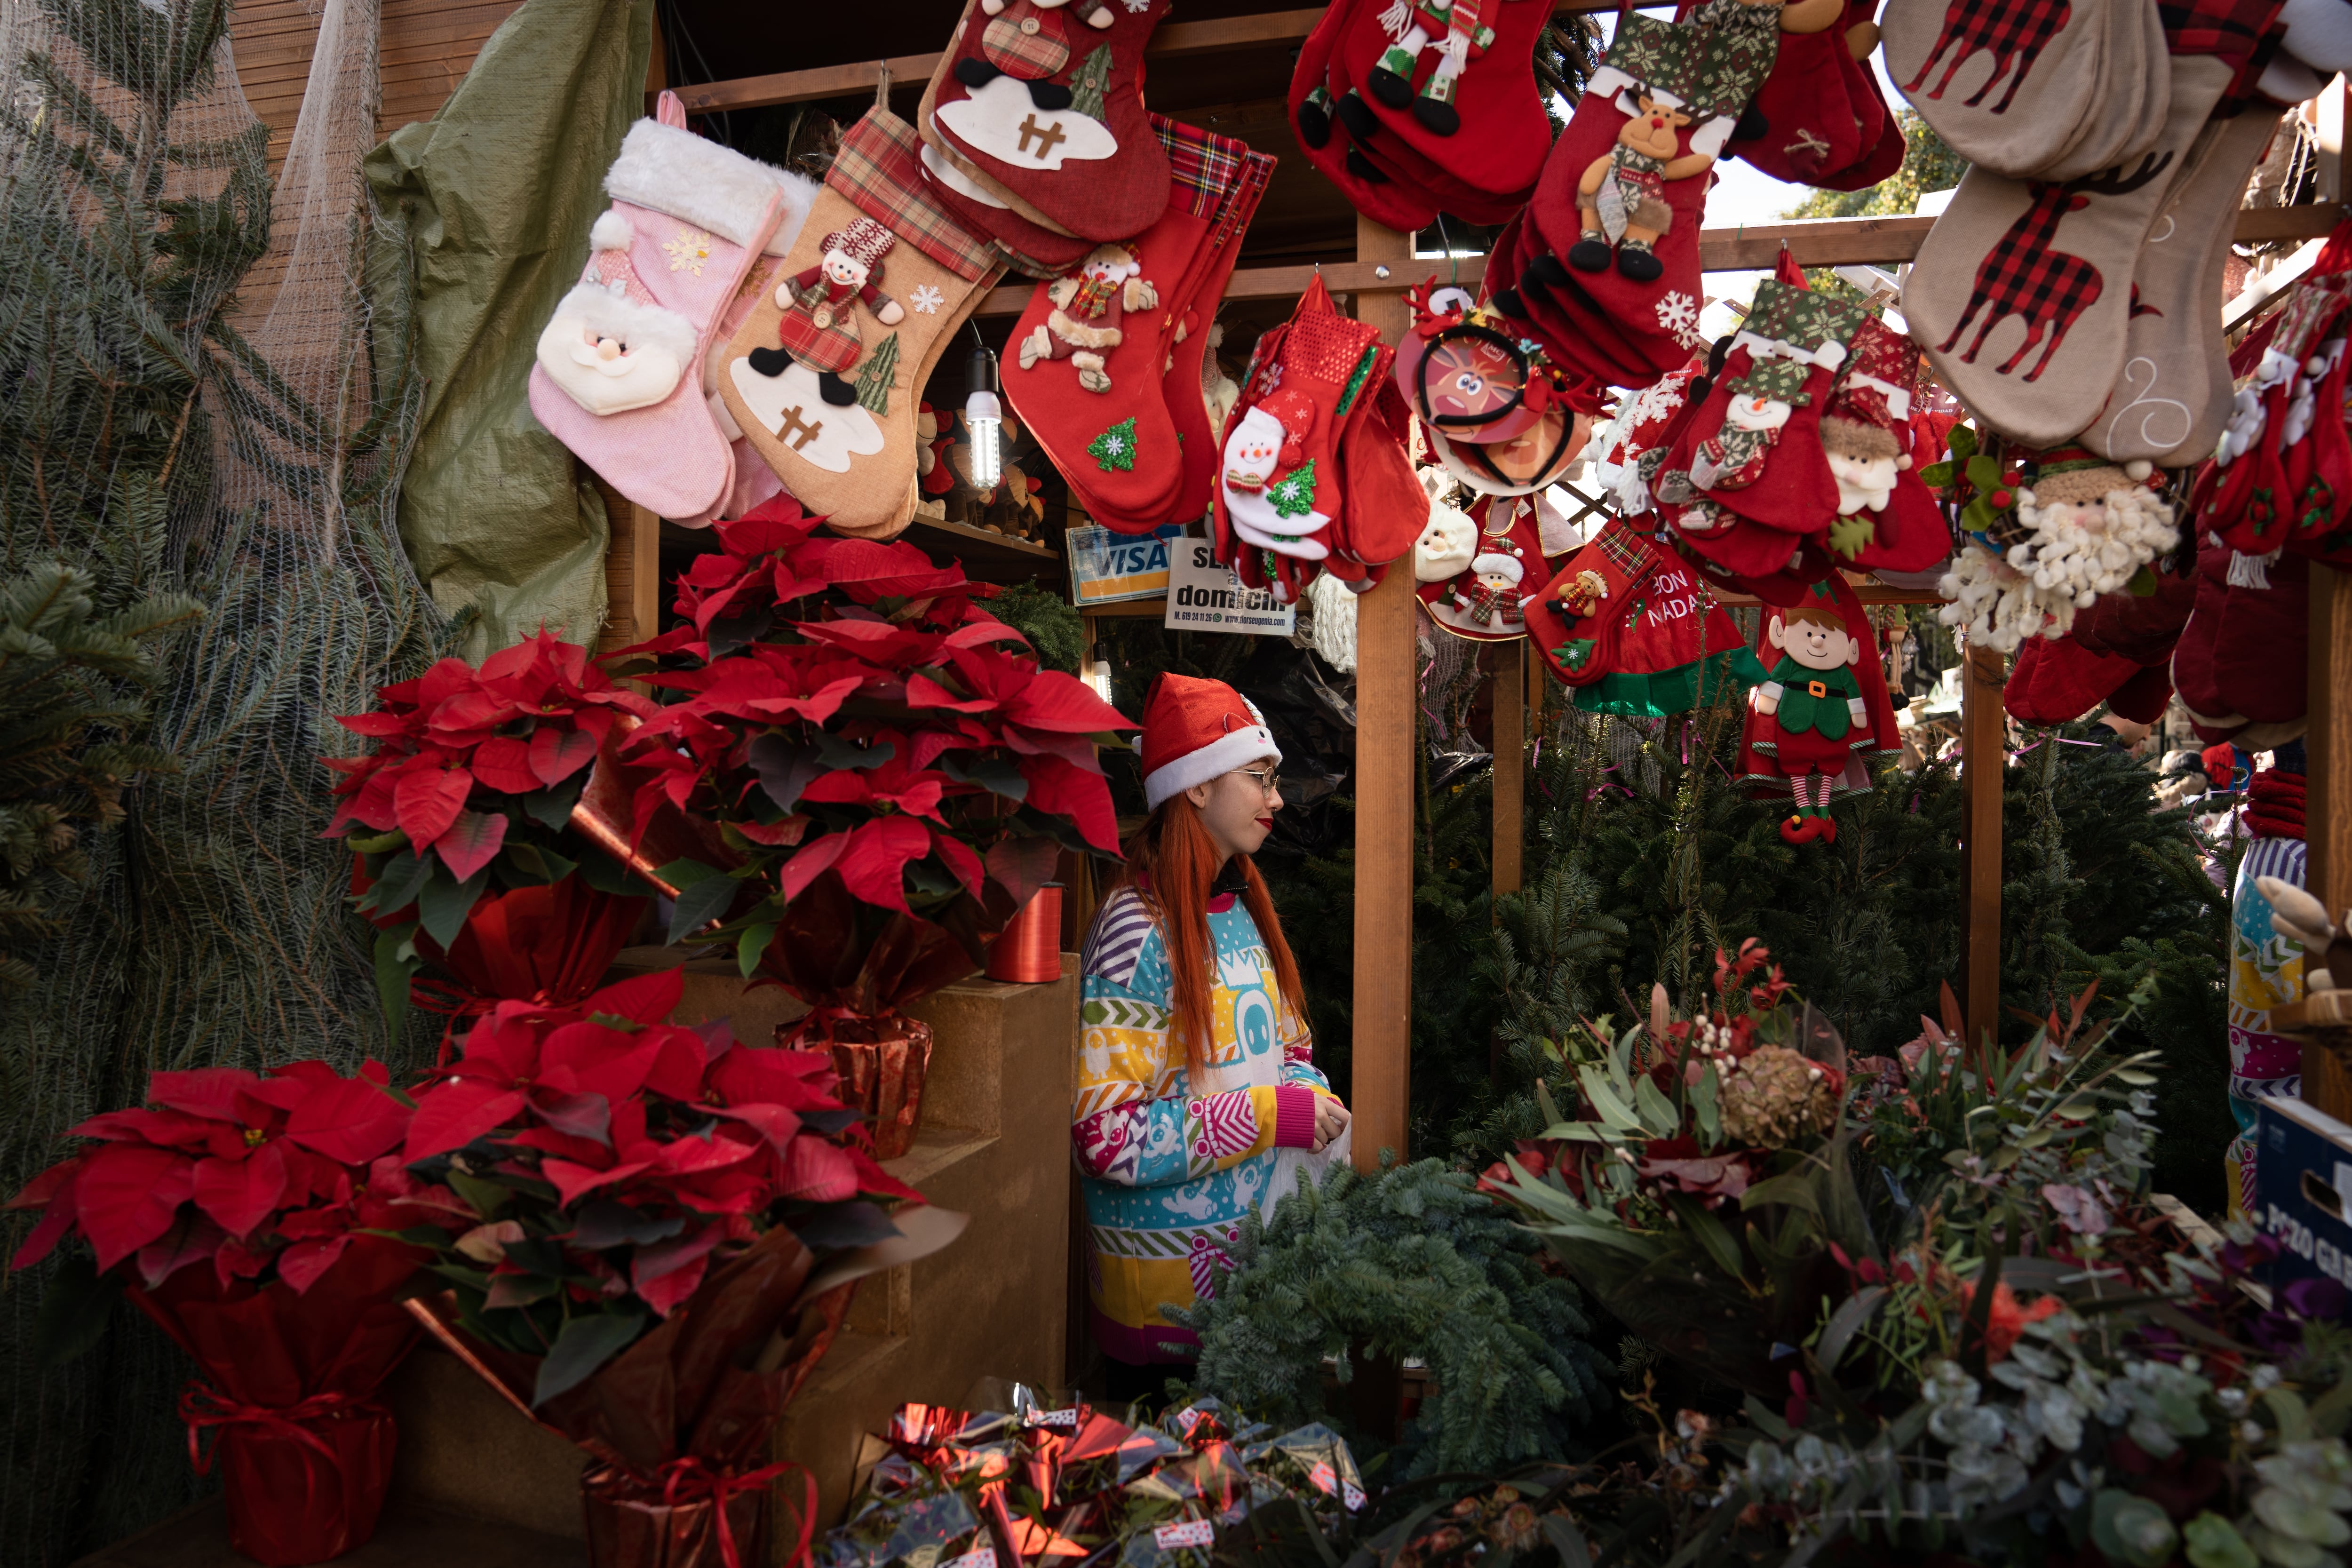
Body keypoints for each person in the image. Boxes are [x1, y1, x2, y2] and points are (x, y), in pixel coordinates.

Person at [1073, 674, 1350, 1401]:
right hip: (1160, 1321)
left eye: (1275, 779)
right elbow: (1104, 1134)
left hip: (1248, 1294)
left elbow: (1291, 1049)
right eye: (1258, 777)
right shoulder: (1133, 934)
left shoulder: (1242, 909)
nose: (1277, 799)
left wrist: (1310, 1098)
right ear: (1195, 788)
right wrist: (1272, 1115)